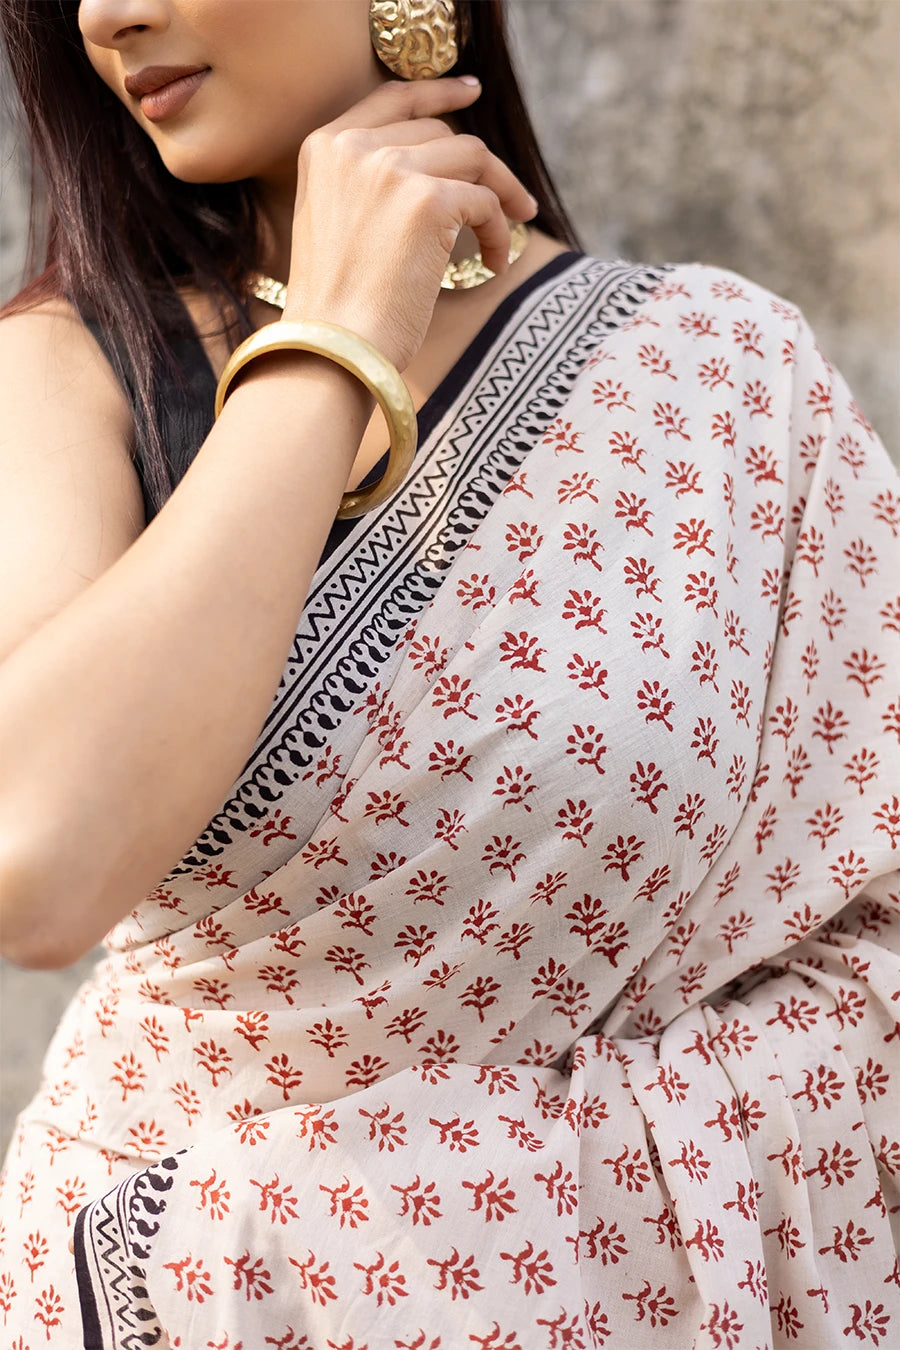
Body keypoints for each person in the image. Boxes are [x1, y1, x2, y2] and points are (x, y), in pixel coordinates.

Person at [0, 0, 897, 1346]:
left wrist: (486, 1191)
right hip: (185, 1293)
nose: (108, 12)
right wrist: (339, 337)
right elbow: (37, 863)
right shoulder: (74, 369)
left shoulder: (718, 375)